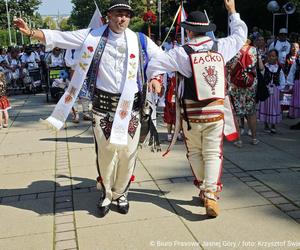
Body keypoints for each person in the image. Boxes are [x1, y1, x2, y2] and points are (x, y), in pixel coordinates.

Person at [14, 0, 162, 217]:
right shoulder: (92, 36)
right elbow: (61, 37)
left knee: (128, 154)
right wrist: (31, 32)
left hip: (131, 108)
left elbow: (160, 59)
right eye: (118, 14)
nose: (122, 19)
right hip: (103, 107)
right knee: (105, 155)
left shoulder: (140, 39)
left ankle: (121, 194)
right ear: (108, 16)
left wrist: (156, 77)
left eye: (126, 14)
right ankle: (107, 193)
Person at [148, 0, 247, 217]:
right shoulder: (221, 46)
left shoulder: (180, 53)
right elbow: (241, 34)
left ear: (189, 32)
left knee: (194, 152)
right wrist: (232, 11)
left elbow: (155, 63)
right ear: (206, 30)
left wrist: (155, 79)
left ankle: (205, 188)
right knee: (213, 152)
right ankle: (210, 193)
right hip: (215, 110)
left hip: (191, 113)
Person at [230, 38, 263, 147]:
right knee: (251, 111)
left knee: (237, 111)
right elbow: (261, 67)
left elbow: (231, 68)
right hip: (251, 83)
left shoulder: (233, 50)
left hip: (236, 84)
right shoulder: (254, 50)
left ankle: (239, 140)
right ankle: (254, 138)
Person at [258, 49, 287, 133]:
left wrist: (281, 90)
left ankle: (273, 124)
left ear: (277, 57)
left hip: (275, 90)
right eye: (270, 56)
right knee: (266, 106)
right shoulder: (265, 67)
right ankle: (266, 124)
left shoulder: (279, 68)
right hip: (266, 90)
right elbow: (261, 77)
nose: (271, 58)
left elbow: (282, 80)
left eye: (273, 56)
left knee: (275, 107)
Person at [287, 50, 300, 120]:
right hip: (298, 83)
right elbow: (292, 72)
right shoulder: (297, 62)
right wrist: (290, 83)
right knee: (297, 101)